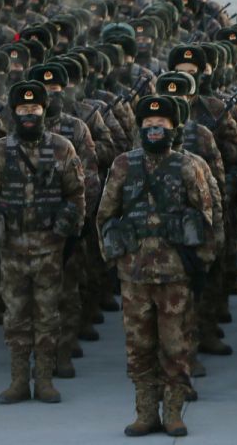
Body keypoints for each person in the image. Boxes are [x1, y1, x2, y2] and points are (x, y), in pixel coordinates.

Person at [96, 95, 218, 437]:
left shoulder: (187, 166)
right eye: (149, 124)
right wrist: (114, 258)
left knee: (176, 346)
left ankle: (174, 411)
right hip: (134, 275)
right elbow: (105, 215)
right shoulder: (123, 165)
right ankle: (146, 411)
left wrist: (200, 267)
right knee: (139, 347)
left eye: (161, 124)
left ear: (173, 128)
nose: (154, 129)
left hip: (175, 274)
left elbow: (206, 217)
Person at [0, 81, 85, 406]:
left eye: (34, 109)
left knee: (48, 315)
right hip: (11, 249)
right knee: (16, 316)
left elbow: (76, 195)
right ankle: (19, 380)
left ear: (43, 111)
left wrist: (68, 225)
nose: (28, 115)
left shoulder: (63, 148)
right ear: (14, 112)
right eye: (22, 110)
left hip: (49, 247)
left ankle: (45, 380)